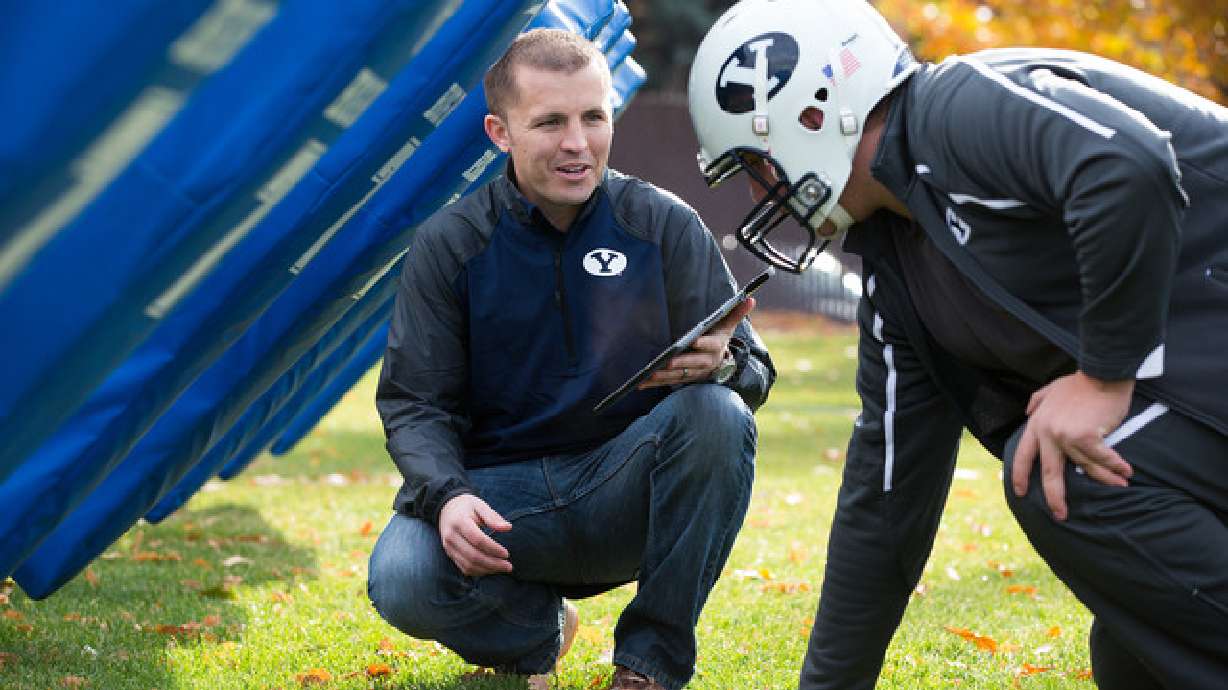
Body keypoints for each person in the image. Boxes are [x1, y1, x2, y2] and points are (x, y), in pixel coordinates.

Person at [686, 1, 1228, 689]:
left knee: (1066, 473)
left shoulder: (956, 108)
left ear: (814, 113)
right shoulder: (901, 262)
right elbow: (885, 503)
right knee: (1137, 651)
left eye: (757, 166)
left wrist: (1103, 377)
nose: (763, 192)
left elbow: (1128, 165)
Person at [368, 28, 775, 690]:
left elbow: (755, 370)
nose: (578, 143)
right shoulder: (450, 244)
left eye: (594, 116)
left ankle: (648, 666)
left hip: (628, 492)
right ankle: (538, 633)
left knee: (719, 414)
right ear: (500, 132)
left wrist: (723, 366)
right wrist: (446, 499)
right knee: (401, 574)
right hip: (505, 509)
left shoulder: (664, 225)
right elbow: (416, 403)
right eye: (551, 121)